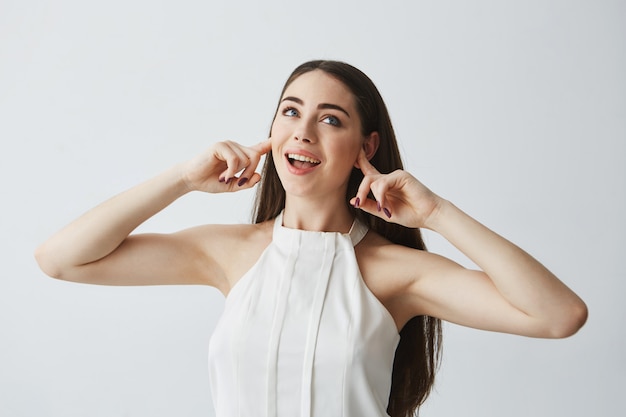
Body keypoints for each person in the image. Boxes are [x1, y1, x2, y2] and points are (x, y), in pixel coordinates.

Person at [35, 60, 587, 417]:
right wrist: (181, 179)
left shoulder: (394, 273)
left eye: (330, 119)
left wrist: (438, 213)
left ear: (365, 147)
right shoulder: (228, 252)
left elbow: (559, 315)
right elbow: (60, 259)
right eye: (291, 112)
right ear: (273, 133)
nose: (302, 130)